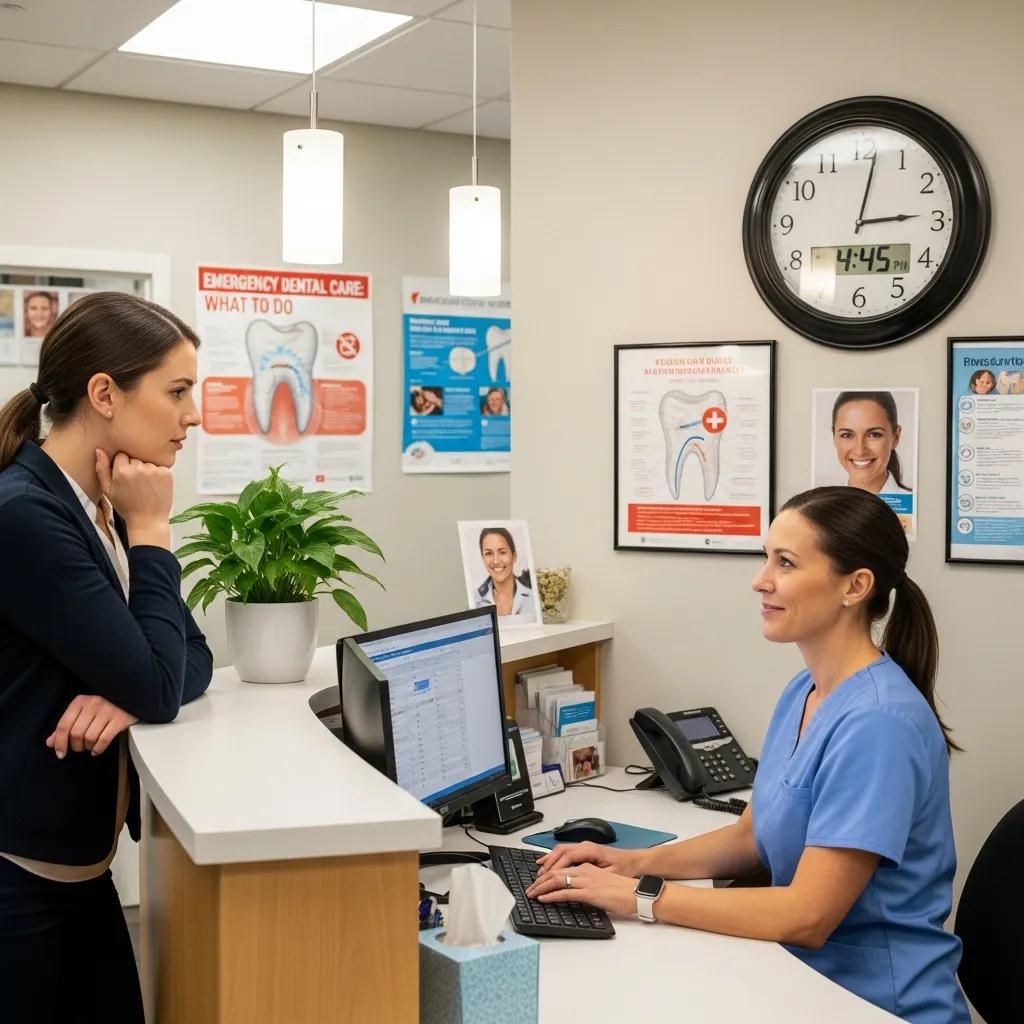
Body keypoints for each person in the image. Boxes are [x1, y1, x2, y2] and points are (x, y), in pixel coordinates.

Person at [529, 487, 969, 1024]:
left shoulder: (879, 724)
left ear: (855, 586)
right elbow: (750, 836)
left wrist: (640, 897)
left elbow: (807, 915)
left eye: (785, 562)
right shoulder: (805, 690)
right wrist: (630, 863)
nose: (760, 579)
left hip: (874, 1002)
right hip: (803, 979)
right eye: (766, 558)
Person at [0, 291, 213, 1023]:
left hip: (79, 866)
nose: (193, 416)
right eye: (177, 392)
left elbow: (193, 656)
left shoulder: (98, 505)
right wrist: (153, 528)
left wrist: (127, 687)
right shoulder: (27, 514)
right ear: (104, 394)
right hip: (18, 873)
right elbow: (162, 679)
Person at [831, 390, 911, 494]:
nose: (860, 451)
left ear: (895, 438)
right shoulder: (821, 507)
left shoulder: (915, 503)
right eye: (847, 435)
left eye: (874, 435)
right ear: (834, 437)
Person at [473, 526, 536, 620]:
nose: (496, 561)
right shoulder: (475, 600)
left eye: (502, 552)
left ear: (514, 556)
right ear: (483, 558)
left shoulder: (533, 595)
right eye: (489, 553)